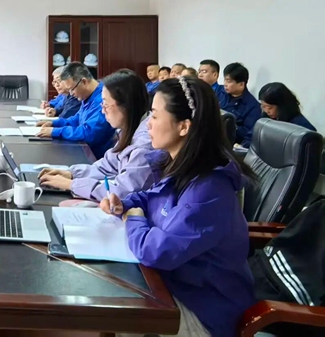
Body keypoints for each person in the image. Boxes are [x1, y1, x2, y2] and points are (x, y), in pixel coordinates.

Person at [102, 77, 256, 337]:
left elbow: (156, 252)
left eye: (155, 116)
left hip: (204, 312)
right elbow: (149, 198)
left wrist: (135, 218)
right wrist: (124, 204)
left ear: (184, 126)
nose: (148, 124)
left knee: (116, 315)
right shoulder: (180, 165)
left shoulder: (209, 188)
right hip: (171, 286)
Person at [39, 69, 160, 200]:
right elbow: (108, 166)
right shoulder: (127, 128)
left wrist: (71, 184)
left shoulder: (145, 143)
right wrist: (71, 173)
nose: (102, 111)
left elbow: (123, 192)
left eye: (106, 105)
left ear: (127, 105)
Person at [35, 62, 115, 159]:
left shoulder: (102, 98)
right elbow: (77, 119)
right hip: (84, 150)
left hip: (96, 157)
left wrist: (56, 132)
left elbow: (89, 133)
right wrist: (54, 123)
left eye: (72, 89)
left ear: (83, 82)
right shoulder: (87, 95)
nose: (71, 94)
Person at [222, 62, 261, 148]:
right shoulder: (221, 94)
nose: (225, 84)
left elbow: (247, 134)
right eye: (224, 80)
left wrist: (229, 126)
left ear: (241, 84)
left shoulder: (252, 106)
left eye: (228, 81)